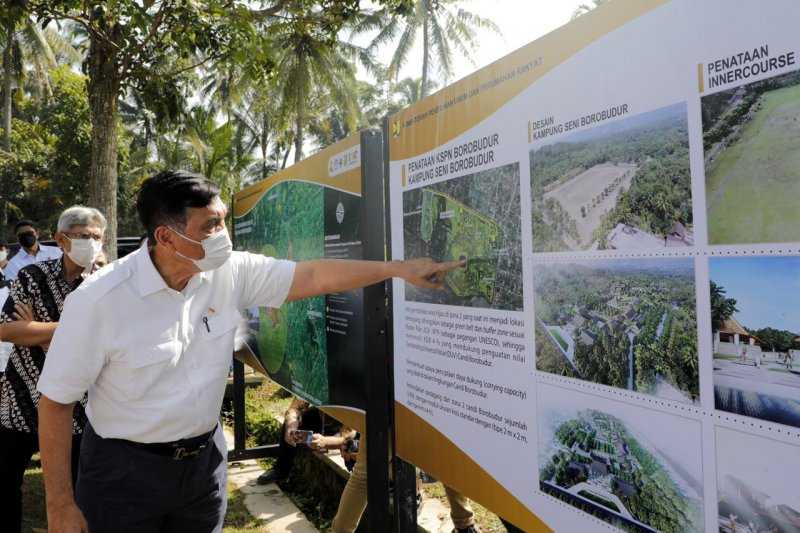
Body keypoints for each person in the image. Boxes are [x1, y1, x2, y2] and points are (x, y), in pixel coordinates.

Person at [36, 170, 463, 533]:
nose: (223, 235)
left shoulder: (228, 270)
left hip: (202, 468)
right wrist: (60, 504)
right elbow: (56, 402)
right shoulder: (100, 300)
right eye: (210, 226)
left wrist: (396, 270)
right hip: (123, 472)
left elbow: (312, 275)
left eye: (222, 221)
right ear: (166, 236)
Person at [0, 206, 106, 533]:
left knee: (76, 492)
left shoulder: (106, 285)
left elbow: (103, 342)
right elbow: (7, 330)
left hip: (78, 408)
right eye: (83, 237)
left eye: (97, 237)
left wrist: (36, 327)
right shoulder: (33, 276)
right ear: (61, 239)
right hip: (20, 400)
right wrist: (70, 330)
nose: (92, 243)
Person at [256, 398, 346, 485]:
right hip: (322, 417)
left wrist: (328, 442)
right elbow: (296, 407)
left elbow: (352, 431)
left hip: (345, 423)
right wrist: (292, 420)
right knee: (291, 425)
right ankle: (281, 470)